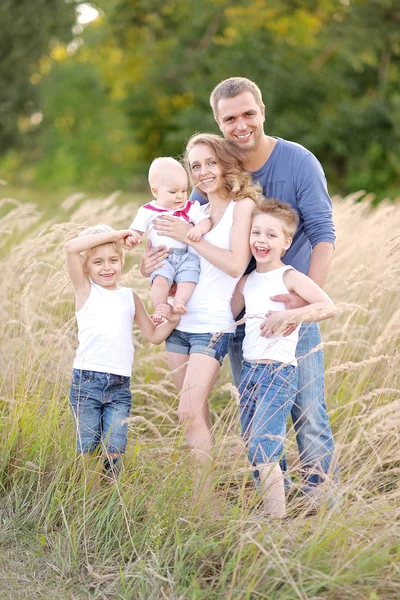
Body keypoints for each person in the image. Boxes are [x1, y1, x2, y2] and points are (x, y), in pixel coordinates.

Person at [144, 76, 337, 499]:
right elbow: (189, 247)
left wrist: (301, 304)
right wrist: (153, 264)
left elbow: (324, 233)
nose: (241, 124)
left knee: (307, 410)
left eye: (248, 113)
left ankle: (323, 505)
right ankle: (277, 505)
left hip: (291, 304)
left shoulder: (298, 162)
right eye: (230, 118)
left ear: (262, 111)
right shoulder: (215, 175)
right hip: (236, 314)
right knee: (255, 413)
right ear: (219, 121)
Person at [150, 133, 263, 503]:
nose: (203, 172)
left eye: (210, 162)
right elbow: (171, 254)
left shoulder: (242, 206)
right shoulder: (193, 208)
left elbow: (234, 264)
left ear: (226, 162)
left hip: (213, 324)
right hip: (179, 324)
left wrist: (190, 237)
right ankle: (204, 496)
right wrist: (148, 264)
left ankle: (203, 502)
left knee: (187, 410)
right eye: (195, 166)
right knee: (193, 414)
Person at [231, 198, 336, 518]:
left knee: (264, 446)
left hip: (278, 373)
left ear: (287, 241)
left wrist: (291, 315)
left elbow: (328, 306)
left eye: (271, 235)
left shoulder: (289, 276)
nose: (262, 241)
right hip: (250, 373)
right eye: (256, 233)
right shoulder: (246, 281)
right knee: (254, 445)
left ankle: (275, 523)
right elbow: (227, 315)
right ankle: (281, 501)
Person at [65, 225, 180, 488]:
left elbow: (153, 334)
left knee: (115, 447)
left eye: (113, 260)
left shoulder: (129, 297)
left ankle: (112, 495)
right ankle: (89, 499)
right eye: (97, 262)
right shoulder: (85, 291)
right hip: (87, 382)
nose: (107, 267)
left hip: (119, 386)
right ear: (86, 268)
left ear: (122, 260)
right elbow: (71, 248)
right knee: (88, 448)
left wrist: (174, 319)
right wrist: (116, 236)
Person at [127, 157, 211, 322]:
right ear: (155, 191)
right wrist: (133, 238)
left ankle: (180, 301)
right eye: (173, 192)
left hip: (185, 255)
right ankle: (160, 305)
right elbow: (135, 229)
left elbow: (205, 220)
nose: (180, 196)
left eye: (183, 191)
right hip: (162, 256)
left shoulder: (190, 207)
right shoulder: (148, 211)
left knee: (190, 275)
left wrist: (197, 230)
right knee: (160, 279)